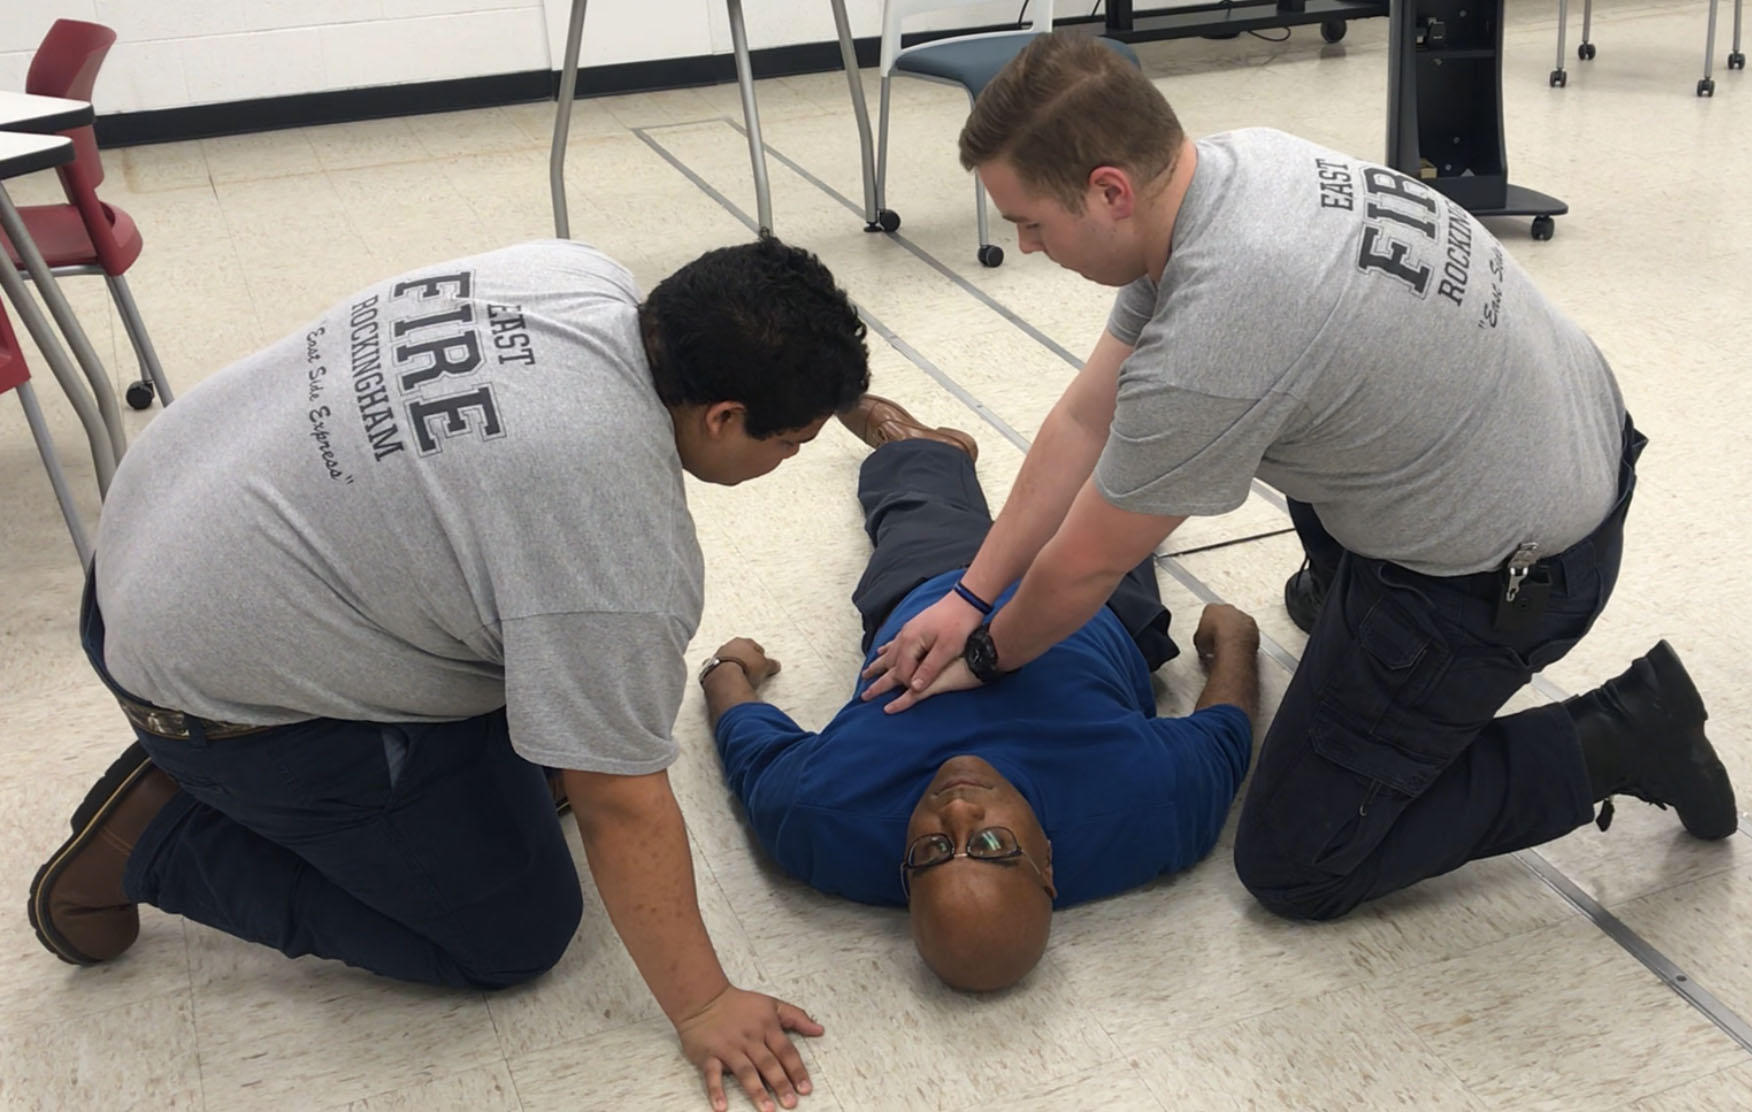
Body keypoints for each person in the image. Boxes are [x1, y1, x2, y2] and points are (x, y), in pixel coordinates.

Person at [861, 33, 1738, 924]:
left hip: (1518, 574)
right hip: (1564, 438)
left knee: (1296, 862)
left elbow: (1085, 564)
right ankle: (1356, 605)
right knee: (1300, 403)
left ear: (1109, 191)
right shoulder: (1232, 171)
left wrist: (986, 653)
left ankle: (1626, 735)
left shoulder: (1221, 325)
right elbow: (1089, 416)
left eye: (1033, 223)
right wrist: (972, 594)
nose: (1026, 244)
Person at [29, 236, 870, 1112]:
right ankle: (159, 839)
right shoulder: (617, 543)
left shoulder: (575, 276)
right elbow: (619, 798)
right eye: (792, 442)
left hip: (148, 539)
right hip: (206, 686)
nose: (794, 461)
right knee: (515, 932)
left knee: (538, 690)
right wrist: (702, 1002)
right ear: (723, 417)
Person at [699, 395, 1258, 991]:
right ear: (1048, 863)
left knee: (915, 499)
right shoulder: (1152, 808)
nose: (959, 812)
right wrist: (1235, 643)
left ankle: (918, 446)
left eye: (935, 849)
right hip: (1096, 605)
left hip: (935, 588)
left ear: (906, 874)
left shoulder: (819, 817)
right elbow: (1227, 731)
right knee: (1120, 478)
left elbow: (745, 742)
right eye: (992, 843)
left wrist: (727, 665)